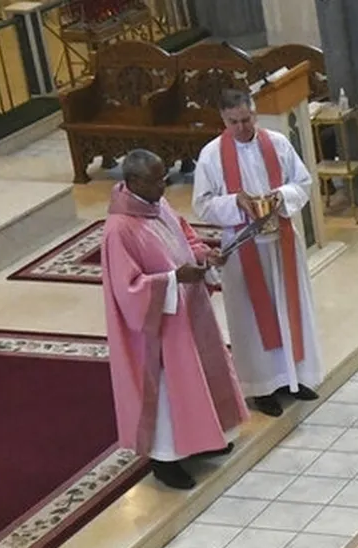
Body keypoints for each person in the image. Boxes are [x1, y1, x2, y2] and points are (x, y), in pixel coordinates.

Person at [102, 149, 249, 491]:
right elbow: (128, 289)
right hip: (157, 329)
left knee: (197, 379)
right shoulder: (119, 229)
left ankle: (203, 440)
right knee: (170, 392)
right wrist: (173, 279)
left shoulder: (157, 204)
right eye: (156, 180)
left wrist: (203, 255)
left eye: (164, 177)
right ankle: (165, 460)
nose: (164, 186)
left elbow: (185, 238)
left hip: (187, 311)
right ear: (133, 181)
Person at [193, 89, 323, 419]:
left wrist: (280, 196)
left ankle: (293, 378)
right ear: (223, 120)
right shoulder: (211, 155)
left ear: (255, 113)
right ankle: (262, 387)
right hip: (242, 248)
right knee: (251, 320)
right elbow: (202, 204)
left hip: (281, 242)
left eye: (246, 119)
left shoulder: (277, 143)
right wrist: (235, 202)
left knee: (288, 308)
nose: (241, 127)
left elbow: (303, 183)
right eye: (233, 122)